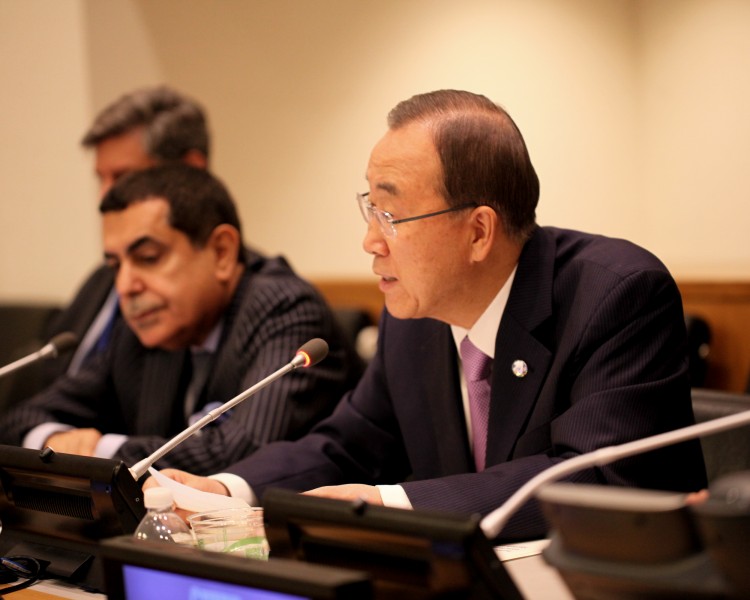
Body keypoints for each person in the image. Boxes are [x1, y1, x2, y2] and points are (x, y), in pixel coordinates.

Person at [147, 90, 707, 540]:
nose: (370, 242)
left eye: (391, 215)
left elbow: (595, 477)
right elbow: (348, 445)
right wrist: (229, 489)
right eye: (370, 209)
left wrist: (389, 504)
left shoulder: (616, 294)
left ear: (479, 231)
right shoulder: (411, 319)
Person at [0, 165, 363, 475]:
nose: (124, 286)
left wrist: (97, 451)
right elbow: (21, 417)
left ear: (222, 252)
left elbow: (238, 452)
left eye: (148, 257)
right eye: (115, 265)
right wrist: (52, 439)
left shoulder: (284, 308)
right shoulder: (145, 327)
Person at [45, 85, 211, 382]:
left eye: (124, 177)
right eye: (101, 179)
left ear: (190, 170)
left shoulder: (198, 301)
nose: (104, 198)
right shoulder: (100, 280)